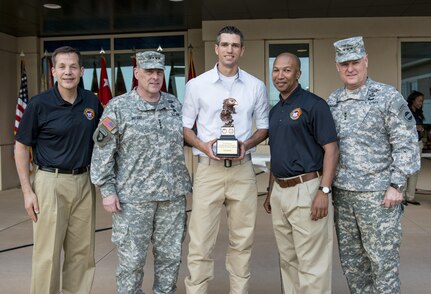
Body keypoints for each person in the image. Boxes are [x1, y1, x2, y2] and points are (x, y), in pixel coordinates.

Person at [90, 51, 191, 294]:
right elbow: (103, 153)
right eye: (148, 71)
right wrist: (107, 191)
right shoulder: (119, 107)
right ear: (137, 73)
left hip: (172, 198)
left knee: (170, 259)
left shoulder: (174, 105)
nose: (154, 77)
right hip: (133, 201)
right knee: (131, 263)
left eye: (158, 71)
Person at [328, 36, 420, 294]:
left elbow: (406, 142)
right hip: (344, 197)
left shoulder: (386, 96)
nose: (350, 68)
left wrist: (396, 184)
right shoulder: (333, 101)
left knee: (383, 265)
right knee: (353, 265)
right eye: (344, 63)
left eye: (355, 61)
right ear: (337, 66)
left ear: (366, 61)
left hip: (379, 197)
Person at [182, 25, 269, 293]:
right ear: (216, 48)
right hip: (209, 170)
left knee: (242, 240)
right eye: (225, 45)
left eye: (235, 45)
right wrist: (203, 146)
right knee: (200, 241)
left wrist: (247, 144)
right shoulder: (196, 85)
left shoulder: (256, 86)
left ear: (242, 50)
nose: (229, 50)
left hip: (243, 170)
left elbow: (264, 127)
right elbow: (186, 128)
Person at [14, 46, 103, 294]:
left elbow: (104, 141)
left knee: (82, 254)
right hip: (49, 183)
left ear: (82, 71)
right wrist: (27, 192)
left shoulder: (92, 102)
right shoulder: (38, 105)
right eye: (62, 67)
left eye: (73, 66)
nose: (68, 72)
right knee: (47, 255)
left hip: (84, 182)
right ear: (53, 71)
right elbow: (21, 148)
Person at [263, 52, 339, 293]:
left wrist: (323, 191)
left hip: (308, 189)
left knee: (311, 263)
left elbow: (332, 150)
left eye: (287, 70)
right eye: (276, 70)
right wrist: (269, 191)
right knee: (288, 261)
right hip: (280, 192)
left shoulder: (314, 105)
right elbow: (278, 154)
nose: (280, 75)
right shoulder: (275, 111)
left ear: (298, 73)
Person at [404, 90, 425, 205]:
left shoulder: (418, 113)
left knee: (415, 170)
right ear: (413, 100)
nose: (421, 103)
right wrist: (414, 127)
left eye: (422, 101)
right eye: (419, 101)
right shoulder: (406, 111)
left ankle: (410, 196)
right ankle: (401, 195)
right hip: (408, 143)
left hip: (418, 143)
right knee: (405, 169)